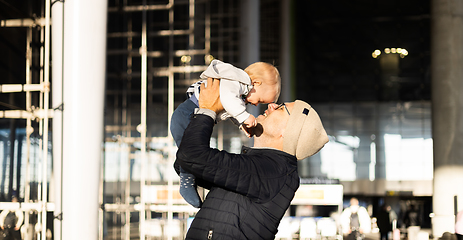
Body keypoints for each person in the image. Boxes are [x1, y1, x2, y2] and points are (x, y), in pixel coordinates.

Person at [174, 78, 329, 239]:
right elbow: (185, 163)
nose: (272, 105)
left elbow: (191, 157)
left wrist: (207, 111)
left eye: (281, 108)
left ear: (289, 132)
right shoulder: (261, 166)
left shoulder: (274, 171)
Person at [170, 59, 281, 208]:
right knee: (190, 153)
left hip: (191, 116)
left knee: (191, 152)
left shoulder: (240, 93)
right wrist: (244, 116)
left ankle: (188, 179)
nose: (255, 104)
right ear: (256, 83)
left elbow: (229, 111)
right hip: (186, 115)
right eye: (260, 100)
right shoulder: (236, 81)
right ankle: (186, 183)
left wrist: (241, 123)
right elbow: (228, 100)